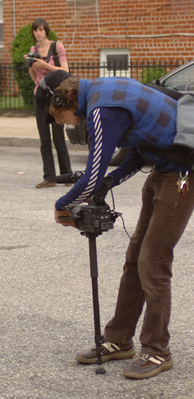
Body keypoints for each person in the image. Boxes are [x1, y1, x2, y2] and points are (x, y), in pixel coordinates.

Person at [36, 69, 194, 379]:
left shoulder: (101, 109)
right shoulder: (103, 92)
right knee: (135, 258)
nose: (57, 121)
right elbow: (140, 150)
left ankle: (157, 350)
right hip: (163, 171)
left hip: (181, 177)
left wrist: (61, 205)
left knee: (153, 262)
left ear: (61, 100)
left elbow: (92, 172)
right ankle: (119, 340)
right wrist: (110, 182)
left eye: (55, 115)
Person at [25, 18, 72, 188]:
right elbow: (34, 78)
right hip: (41, 97)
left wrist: (44, 64)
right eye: (35, 30)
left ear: (46, 31)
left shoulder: (57, 46)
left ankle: (67, 176)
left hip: (57, 98)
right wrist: (31, 65)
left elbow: (65, 70)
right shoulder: (33, 50)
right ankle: (49, 178)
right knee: (44, 139)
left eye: (41, 29)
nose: (38, 33)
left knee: (58, 138)